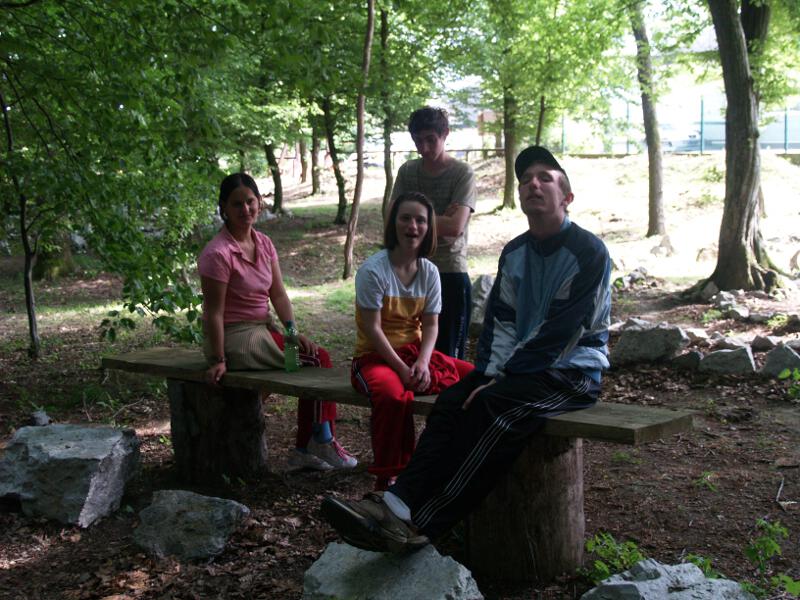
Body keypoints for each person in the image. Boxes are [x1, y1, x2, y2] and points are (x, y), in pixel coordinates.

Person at [322, 146, 612, 552]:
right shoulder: (516, 252)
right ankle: (397, 501)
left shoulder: (588, 252)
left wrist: (501, 379)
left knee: (491, 408)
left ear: (567, 197)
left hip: (572, 372)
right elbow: (501, 322)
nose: (533, 184)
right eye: (526, 179)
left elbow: (560, 333)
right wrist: (489, 373)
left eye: (545, 178)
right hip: (522, 370)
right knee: (452, 400)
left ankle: (422, 523)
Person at [198, 172, 356, 471]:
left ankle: (308, 446)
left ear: (259, 202)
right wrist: (218, 359)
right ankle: (319, 442)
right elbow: (213, 312)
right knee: (317, 360)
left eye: (250, 201)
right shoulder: (218, 253)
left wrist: (292, 332)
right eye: (236, 204)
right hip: (234, 339)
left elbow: (279, 294)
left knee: (310, 357)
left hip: (261, 331)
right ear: (224, 208)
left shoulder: (264, 243)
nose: (245, 209)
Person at [352, 192, 474, 491]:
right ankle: (390, 477)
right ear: (393, 223)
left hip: (414, 354)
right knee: (393, 397)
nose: (413, 226)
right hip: (374, 358)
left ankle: (456, 464)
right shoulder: (373, 270)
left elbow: (431, 325)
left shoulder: (430, 272)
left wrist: (422, 362)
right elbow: (373, 329)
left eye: (421, 220)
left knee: (475, 379)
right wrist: (402, 369)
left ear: (429, 228)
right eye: (405, 218)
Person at [389, 107, 477, 360]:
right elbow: (391, 219)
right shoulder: (407, 171)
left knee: (448, 357)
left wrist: (411, 218)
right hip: (410, 271)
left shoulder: (462, 173)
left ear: (445, 134)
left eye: (430, 140)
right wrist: (439, 218)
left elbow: (455, 227)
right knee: (411, 353)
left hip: (449, 271)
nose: (424, 148)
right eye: (418, 141)